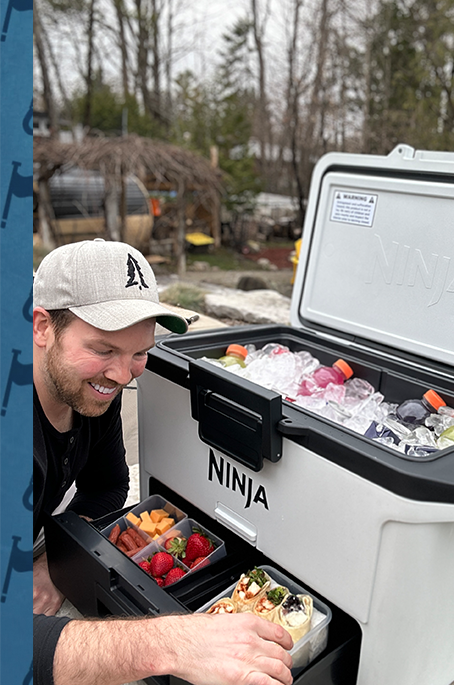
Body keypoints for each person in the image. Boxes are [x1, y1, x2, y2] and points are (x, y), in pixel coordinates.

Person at [31, 239, 295, 685]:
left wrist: (58, 558)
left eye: (139, 352)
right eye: (102, 349)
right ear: (42, 327)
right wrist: (173, 643)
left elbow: (109, 486)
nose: (121, 374)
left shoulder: (91, 391)